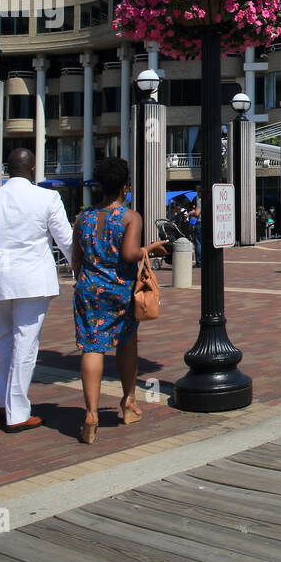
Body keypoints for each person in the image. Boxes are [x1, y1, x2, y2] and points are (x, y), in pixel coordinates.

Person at [0, 148, 74, 433]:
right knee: (25, 346)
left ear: (9, 168)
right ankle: (16, 413)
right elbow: (66, 241)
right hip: (32, 281)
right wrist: (83, 270)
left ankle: (1, 402)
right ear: (32, 168)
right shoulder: (47, 197)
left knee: (5, 343)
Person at [71, 157, 169, 445]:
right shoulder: (130, 217)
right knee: (126, 343)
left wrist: (87, 279)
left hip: (88, 289)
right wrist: (151, 248)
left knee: (91, 347)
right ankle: (128, 402)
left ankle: (90, 414)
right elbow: (128, 254)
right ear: (125, 187)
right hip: (119, 290)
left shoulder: (84, 217)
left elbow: (76, 257)